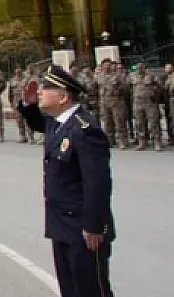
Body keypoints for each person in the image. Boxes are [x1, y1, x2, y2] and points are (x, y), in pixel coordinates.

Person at [17, 66, 116, 297]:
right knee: (70, 290)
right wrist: (30, 103)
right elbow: (37, 123)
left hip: (83, 230)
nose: (40, 91)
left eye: (46, 88)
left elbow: (97, 183)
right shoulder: (57, 122)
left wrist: (93, 226)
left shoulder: (85, 129)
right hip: (61, 225)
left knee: (91, 290)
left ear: (63, 97)